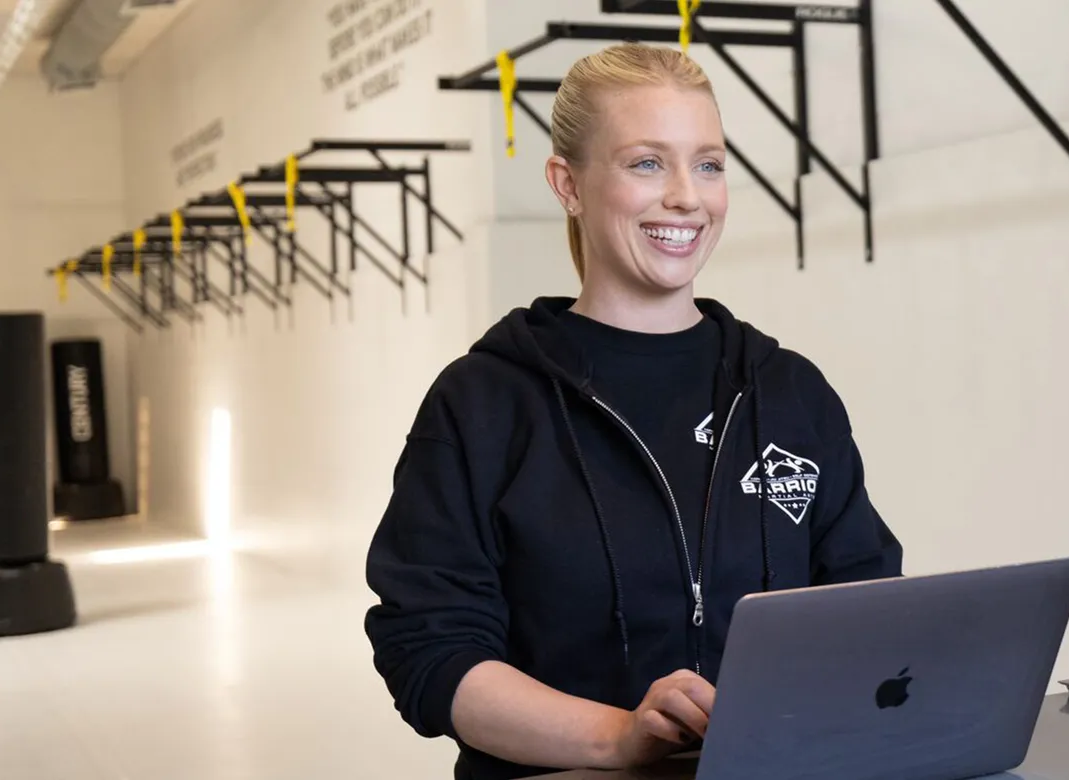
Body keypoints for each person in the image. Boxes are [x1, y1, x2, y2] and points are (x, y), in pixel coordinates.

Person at [362, 43, 902, 780]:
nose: (687, 196)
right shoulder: (483, 403)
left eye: (708, 164)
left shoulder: (789, 392)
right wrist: (618, 739)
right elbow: (430, 651)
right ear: (569, 185)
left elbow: (867, 606)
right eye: (647, 163)